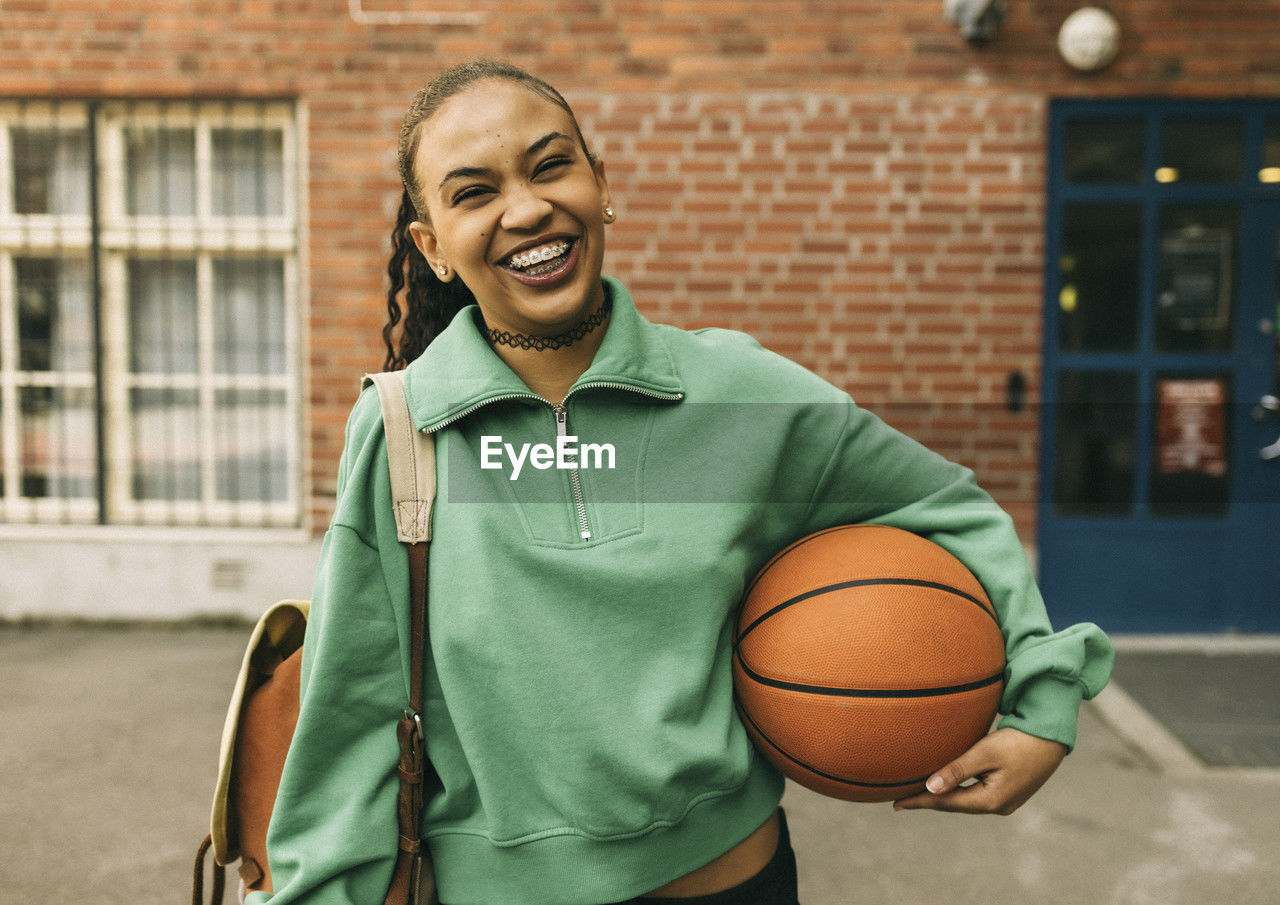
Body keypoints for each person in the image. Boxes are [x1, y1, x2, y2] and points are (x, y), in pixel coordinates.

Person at [250, 60, 1114, 905]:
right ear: (432, 245)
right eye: (473, 192)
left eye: (552, 165)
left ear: (601, 182)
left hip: (736, 881)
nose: (526, 207)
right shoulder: (403, 429)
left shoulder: (739, 392)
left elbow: (946, 505)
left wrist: (1043, 702)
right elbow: (353, 710)